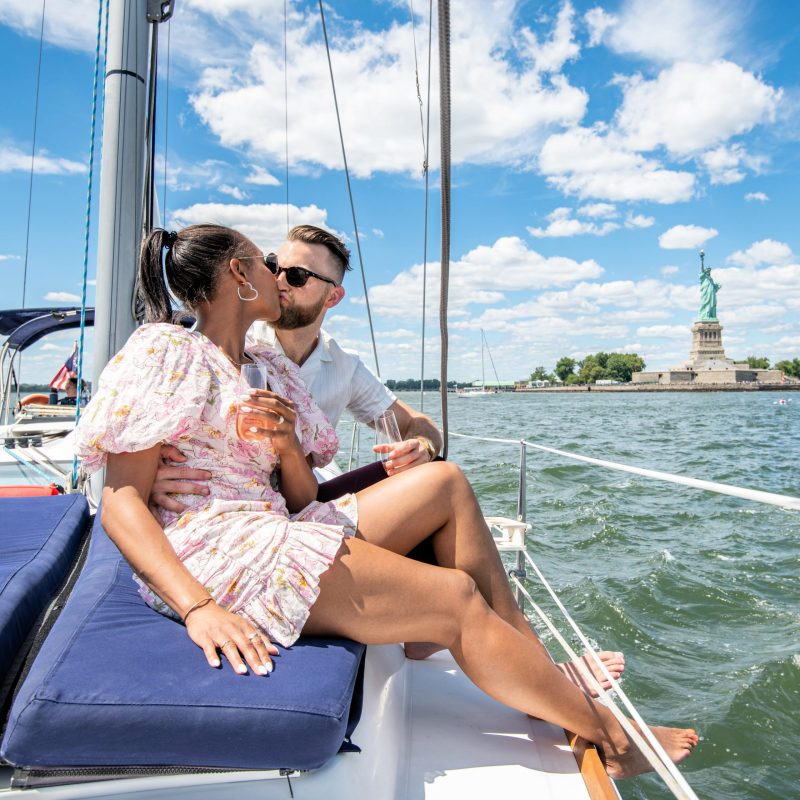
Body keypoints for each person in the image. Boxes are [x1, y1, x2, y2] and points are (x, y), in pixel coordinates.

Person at [74, 224, 696, 780]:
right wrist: (198, 608)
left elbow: (304, 494)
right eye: (266, 263)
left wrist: (289, 443)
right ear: (238, 275)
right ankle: (613, 738)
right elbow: (122, 501)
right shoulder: (167, 352)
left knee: (444, 481)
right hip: (216, 552)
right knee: (454, 598)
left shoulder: (263, 363)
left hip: (276, 523)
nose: (275, 275)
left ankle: (530, 658)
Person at [149, 223, 626, 688]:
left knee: (434, 473)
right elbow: (149, 430)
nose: (278, 281)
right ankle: (500, 652)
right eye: (274, 267)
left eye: (296, 276)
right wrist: (149, 476)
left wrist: (422, 446)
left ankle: (516, 658)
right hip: (241, 516)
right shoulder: (237, 339)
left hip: (298, 496)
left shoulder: (342, 365)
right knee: (437, 490)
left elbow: (419, 425)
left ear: (331, 296)